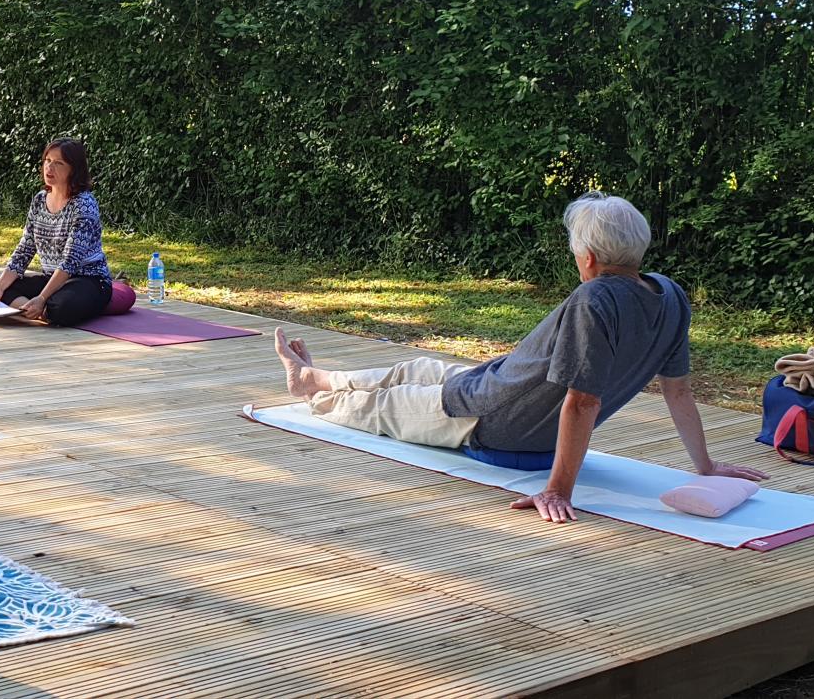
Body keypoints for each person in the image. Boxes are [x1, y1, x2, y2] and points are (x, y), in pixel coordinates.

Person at [273, 191, 768, 524]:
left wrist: (558, 490)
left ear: (589, 257)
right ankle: (314, 377)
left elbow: (582, 402)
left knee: (382, 405)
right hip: (492, 385)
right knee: (413, 370)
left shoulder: (595, 300)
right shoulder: (670, 295)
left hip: (488, 421)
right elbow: (678, 390)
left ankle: (314, 395)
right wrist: (704, 466)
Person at [0, 138, 114, 326]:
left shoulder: (84, 204)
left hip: (88, 280)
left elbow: (70, 262)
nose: (49, 168)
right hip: (52, 279)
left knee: (61, 308)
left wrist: (41, 297)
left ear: (74, 169)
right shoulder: (40, 200)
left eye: (58, 163)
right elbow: (24, 250)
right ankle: (34, 310)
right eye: (47, 161)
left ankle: (42, 308)